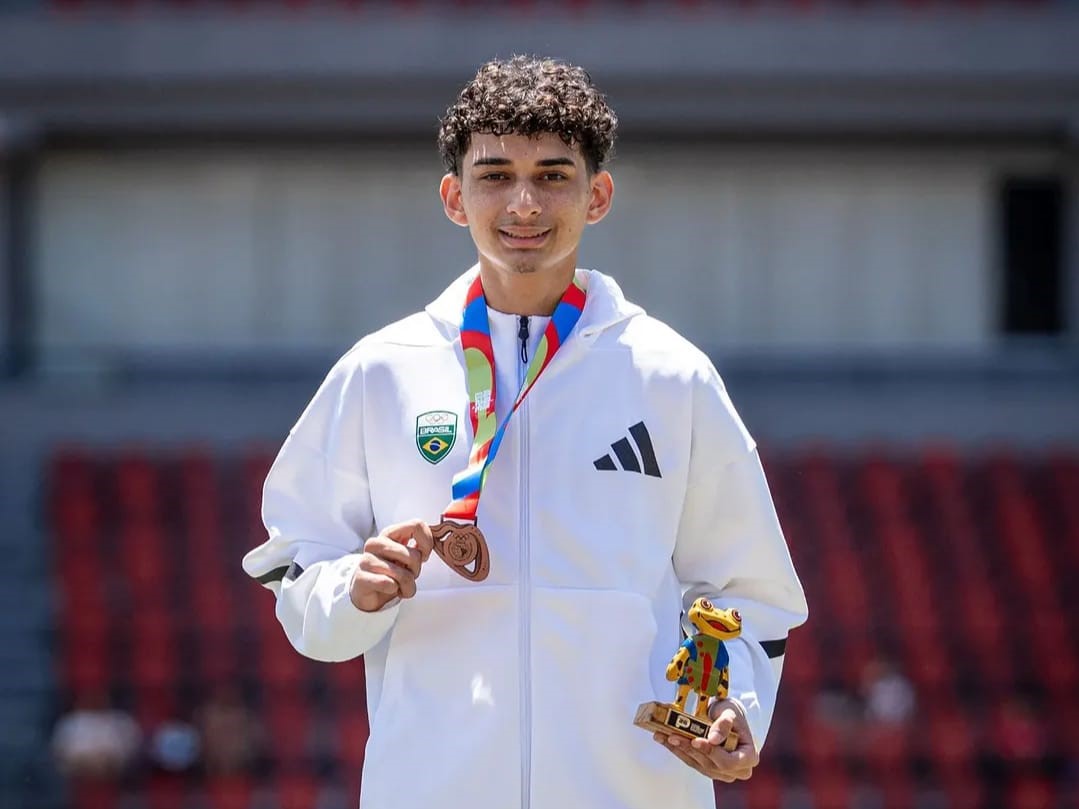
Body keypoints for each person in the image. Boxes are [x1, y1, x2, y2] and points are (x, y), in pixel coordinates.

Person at [242, 55, 808, 809]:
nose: (524, 203)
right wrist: (354, 590)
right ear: (454, 197)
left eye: (552, 175)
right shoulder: (381, 370)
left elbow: (749, 592)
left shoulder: (671, 376)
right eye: (495, 175)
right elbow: (297, 570)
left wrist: (734, 705)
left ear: (597, 195)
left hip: (629, 792)